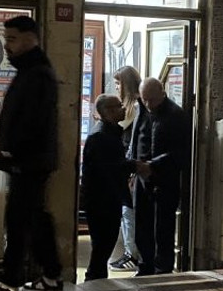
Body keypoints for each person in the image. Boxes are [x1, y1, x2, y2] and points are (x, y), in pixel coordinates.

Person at [0, 15, 61, 291]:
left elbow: (33, 121)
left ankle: (8, 286)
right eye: (6, 39)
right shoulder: (31, 71)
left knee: (17, 223)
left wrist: (13, 152)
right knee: (35, 219)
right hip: (30, 161)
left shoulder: (37, 75)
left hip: (27, 162)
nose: (6, 46)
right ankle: (51, 277)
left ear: (30, 39)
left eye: (12, 39)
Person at [130, 78, 190, 276]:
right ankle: (144, 266)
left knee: (162, 229)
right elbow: (137, 139)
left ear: (162, 93)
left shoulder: (175, 115)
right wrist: (133, 167)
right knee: (142, 226)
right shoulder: (142, 110)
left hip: (164, 180)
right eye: (144, 99)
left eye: (152, 100)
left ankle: (162, 269)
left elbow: (180, 153)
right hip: (142, 177)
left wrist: (153, 165)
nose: (148, 104)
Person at [80, 95, 134, 280]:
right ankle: (93, 280)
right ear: (107, 111)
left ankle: (97, 281)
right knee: (102, 246)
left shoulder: (109, 133)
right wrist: (134, 166)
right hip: (102, 201)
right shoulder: (101, 136)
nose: (123, 108)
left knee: (103, 247)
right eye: (119, 106)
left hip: (105, 199)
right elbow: (110, 168)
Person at [108, 65, 143, 271]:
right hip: (126, 168)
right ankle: (131, 252)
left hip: (130, 169)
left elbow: (132, 142)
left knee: (129, 213)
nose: (116, 87)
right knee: (126, 212)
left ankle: (133, 254)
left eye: (118, 83)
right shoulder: (129, 109)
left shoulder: (135, 109)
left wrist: (130, 169)